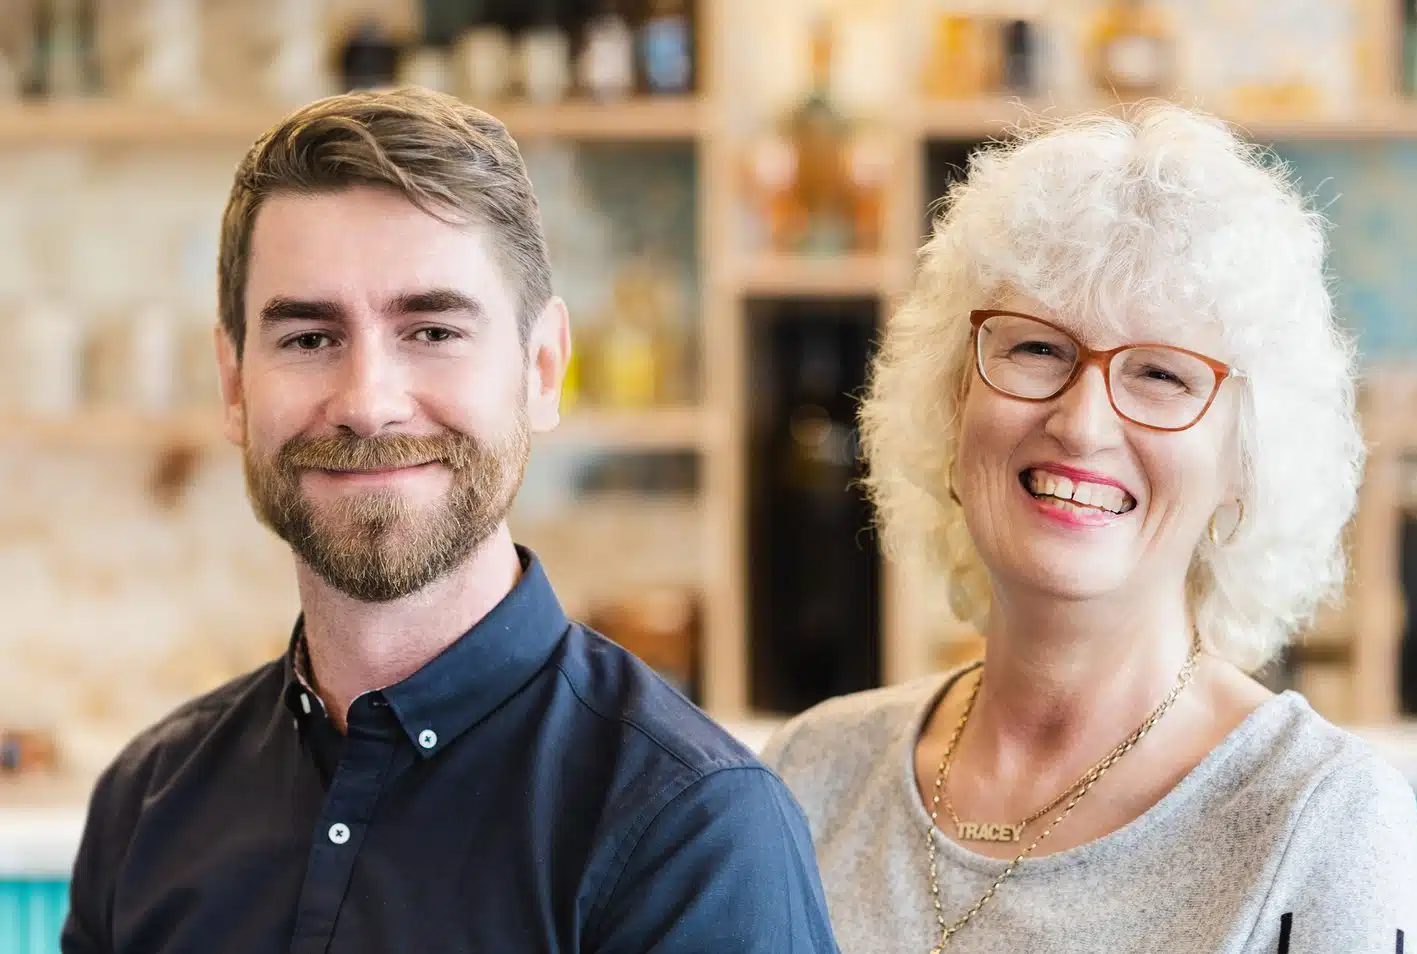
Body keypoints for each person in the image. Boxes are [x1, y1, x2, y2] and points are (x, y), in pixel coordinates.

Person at [62, 87, 838, 954]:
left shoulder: (690, 832)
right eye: (309, 339)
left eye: (430, 330)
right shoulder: (146, 803)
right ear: (236, 384)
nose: (367, 404)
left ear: (542, 370)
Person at [762, 104, 1417, 954]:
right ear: (951, 402)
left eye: (1160, 373)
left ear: (1247, 464)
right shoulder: (809, 777)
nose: (1082, 424)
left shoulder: (1320, 822)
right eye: (1037, 349)